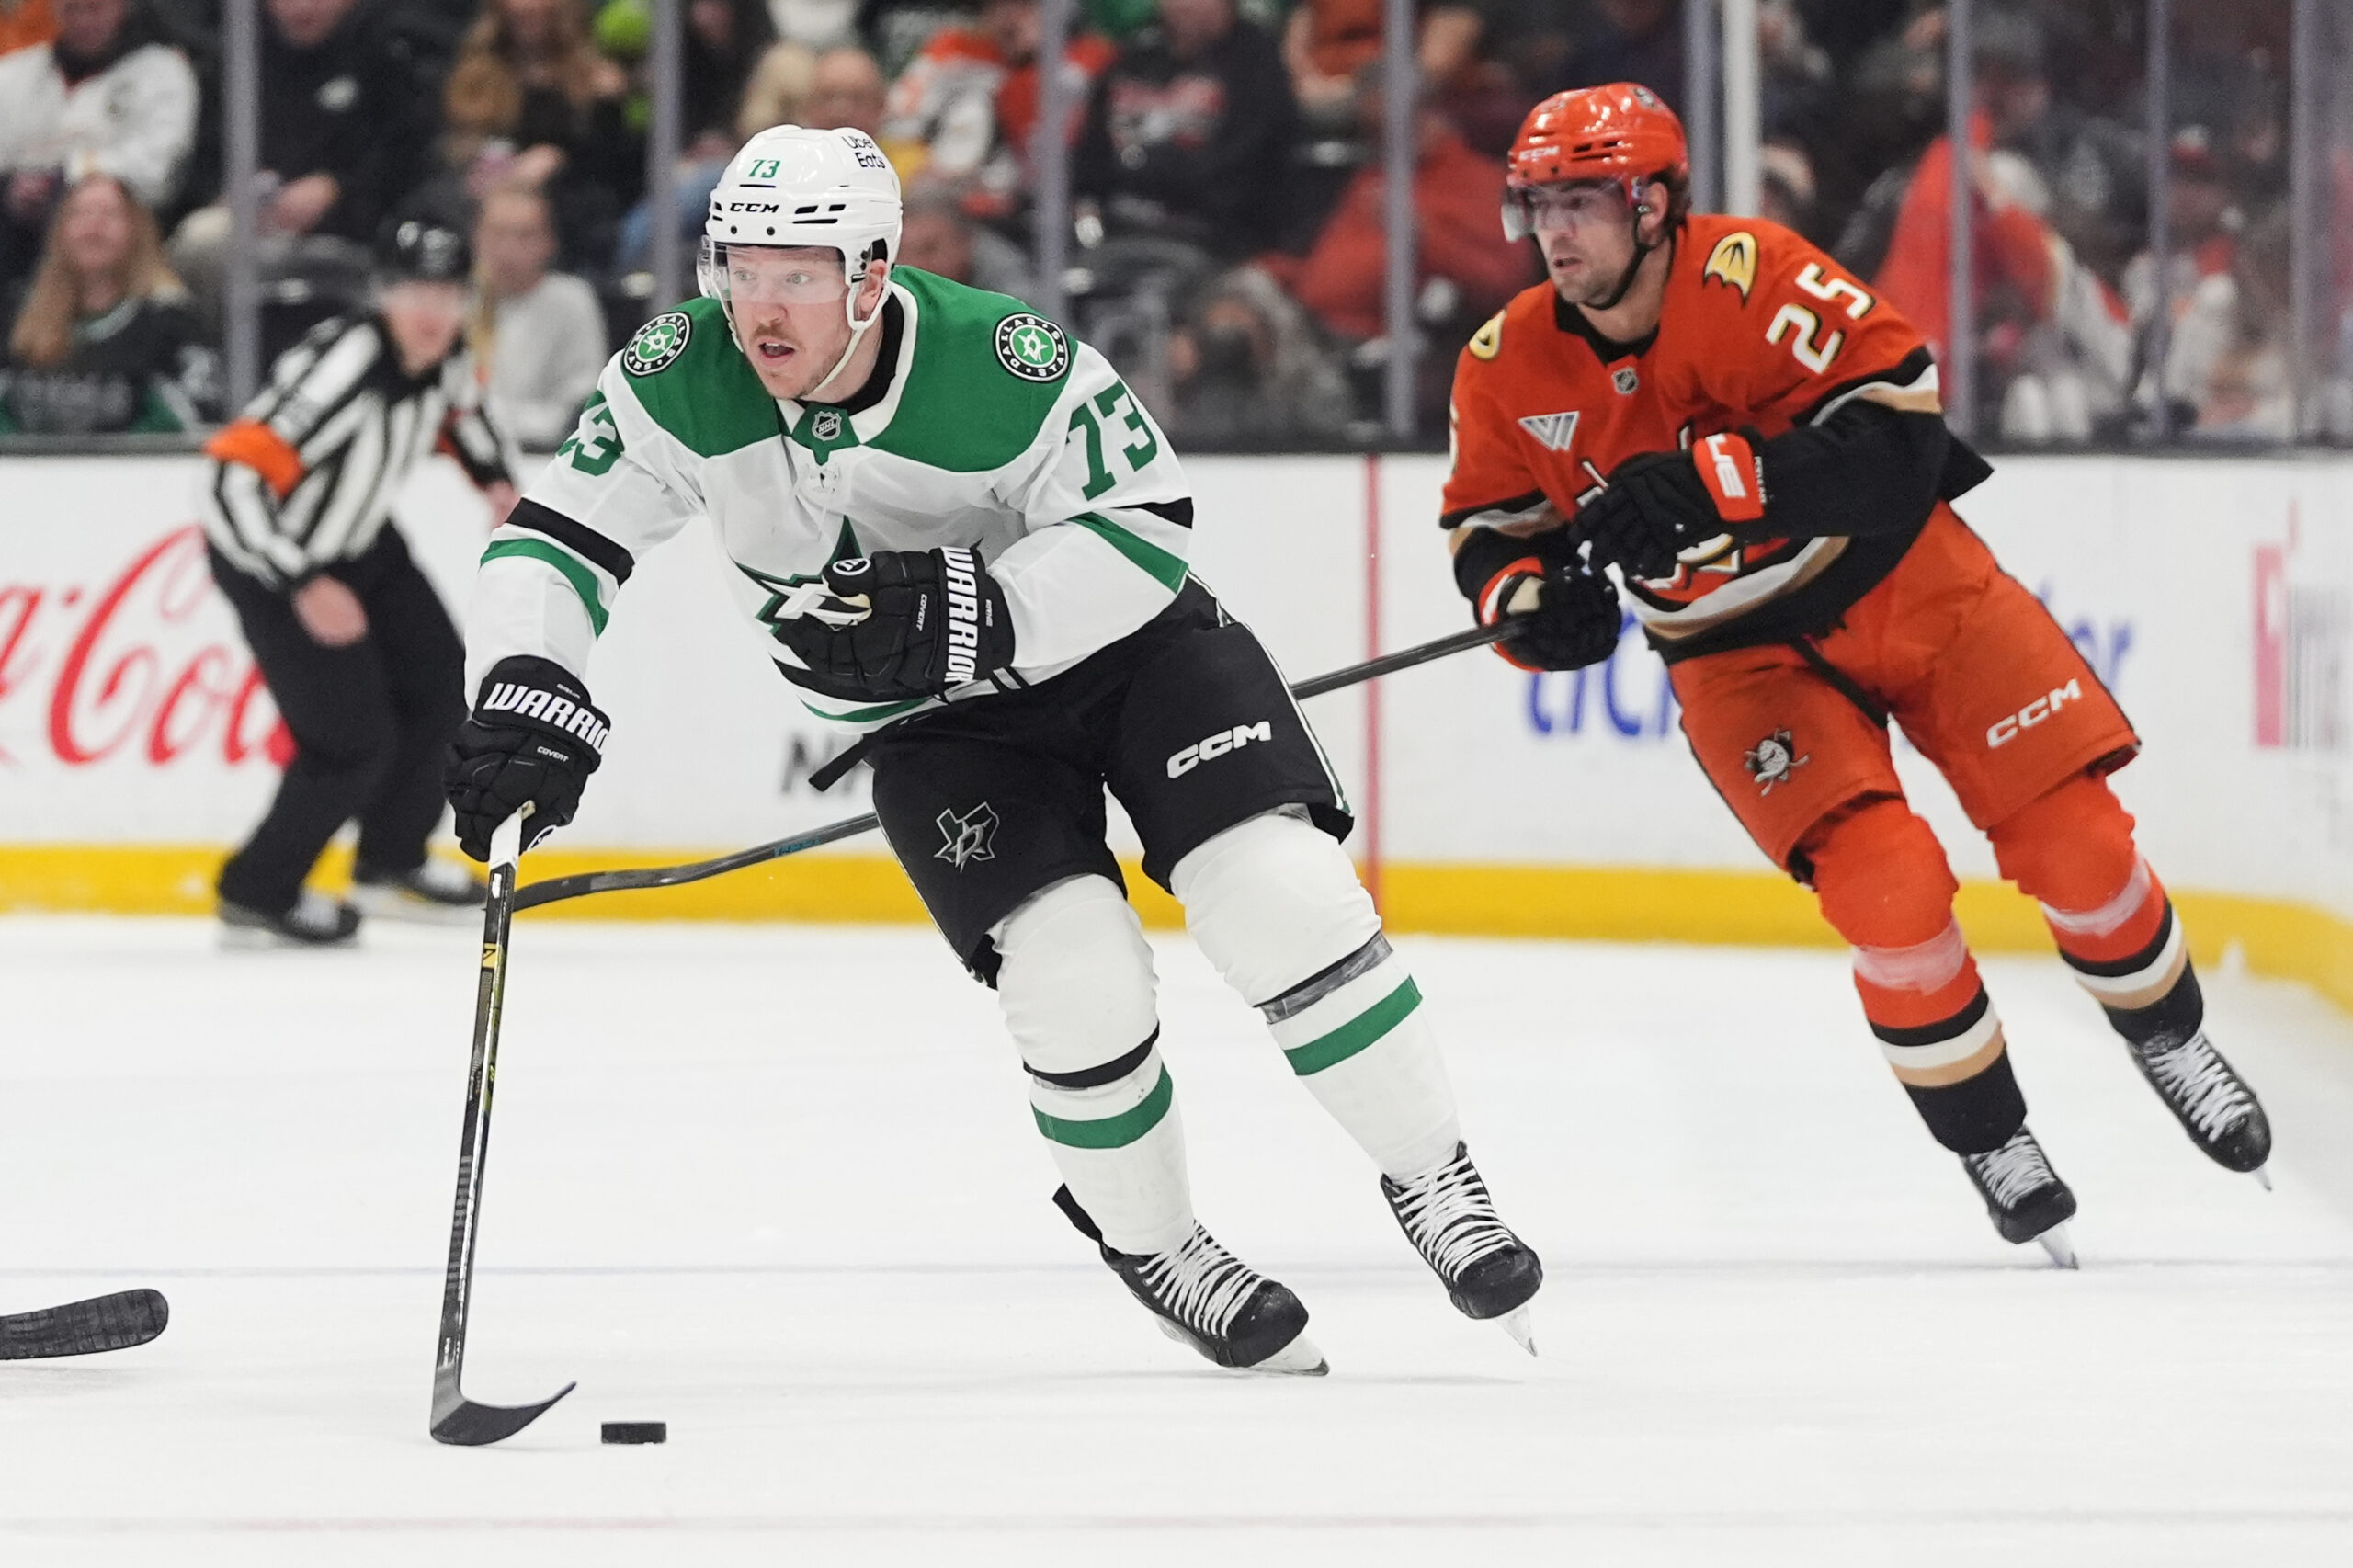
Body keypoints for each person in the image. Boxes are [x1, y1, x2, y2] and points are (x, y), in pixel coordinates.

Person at [443, 125, 1542, 1370]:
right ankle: (1158, 1242)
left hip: (1129, 652)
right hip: (933, 719)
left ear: (870, 274)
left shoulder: (1000, 359)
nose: (761, 307)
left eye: (797, 274)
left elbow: (1149, 519)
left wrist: (987, 610)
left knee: (1277, 893)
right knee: (1073, 970)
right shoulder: (680, 374)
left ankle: (1435, 1177)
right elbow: (558, 536)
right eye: (741, 270)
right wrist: (525, 681)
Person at [1439, 85, 2271, 1263]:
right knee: (1888, 894)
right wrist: (1533, 609)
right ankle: (1990, 1136)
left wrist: (1723, 484)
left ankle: (2168, 1033)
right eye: (1539, 205)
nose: (1555, 232)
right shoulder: (1502, 363)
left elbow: (1900, 440)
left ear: (1654, 204)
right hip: (1734, 654)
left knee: (2076, 844)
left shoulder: (1755, 276)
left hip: (1906, 579)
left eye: (1581, 202)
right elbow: (1489, 531)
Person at [200, 220, 517, 946]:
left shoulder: (445, 354)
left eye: (447, 293)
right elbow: (227, 478)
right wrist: (301, 579)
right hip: (274, 560)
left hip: (363, 542)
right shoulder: (342, 370)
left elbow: (461, 413)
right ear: (381, 295)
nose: (432, 311)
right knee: (349, 742)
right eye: (413, 291)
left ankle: (389, 860)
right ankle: (256, 892)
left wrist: (497, 483)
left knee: (442, 687)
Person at [170, 0, 436, 324]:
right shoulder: (233, 58)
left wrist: (336, 190)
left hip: (356, 240)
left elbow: (406, 163)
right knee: (202, 239)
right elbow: (198, 163)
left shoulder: (388, 60)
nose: (302, 6)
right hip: (248, 236)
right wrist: (226, 194)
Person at [1071, 0, 1296, 257]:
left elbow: (1242, 175)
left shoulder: (1256, 63)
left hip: (1211, 244)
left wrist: (1139, 167)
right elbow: (1087, 163)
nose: (1185, 5)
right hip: (1113, 235)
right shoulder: (1134, 55)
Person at [0, 0, 199, 286]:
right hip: (17, 240)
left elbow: (158, 173)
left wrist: (64, 177)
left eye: (95, 8)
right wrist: (12, 187)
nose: (84, 21)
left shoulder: (162, 71)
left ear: (123, 7)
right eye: (72, 8)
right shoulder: (13, 75)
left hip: (129, 239)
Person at [1, 172, 217, 433]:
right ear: (59, 231)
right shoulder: (16, 314)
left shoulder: (171, 322)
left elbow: (196, 416)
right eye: (81, 213)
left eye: (110, 214)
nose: (94, 225)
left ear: (137, 231)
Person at [472, 183, 608, 448]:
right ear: (476, 237)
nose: (508, 248)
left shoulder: (571, 301)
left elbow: (582, 402)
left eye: (524, 235)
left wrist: (499, 421)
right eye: (497, 233)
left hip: (545, 452)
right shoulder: (456, 299)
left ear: (549, 242)